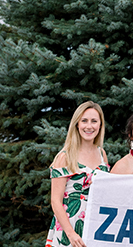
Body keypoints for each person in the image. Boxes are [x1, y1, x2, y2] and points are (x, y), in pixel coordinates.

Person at [46, 101, 109, 247]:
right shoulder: (65, 156)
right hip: (70, 225)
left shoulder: (101, 154)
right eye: (84, 121)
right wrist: (70, 234)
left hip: (96, 224)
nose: (89, 126)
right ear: (77, 124)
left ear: (100, 125)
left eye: (94, 121)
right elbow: (55, 201)